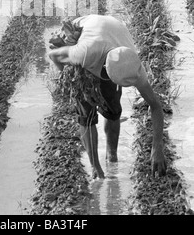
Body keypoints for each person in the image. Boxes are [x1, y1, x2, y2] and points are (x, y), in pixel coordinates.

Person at [48, 14, 167, 180]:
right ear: (104, 67)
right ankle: (95, 165)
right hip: (87, 36)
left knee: (113, 106)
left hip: (113, 32)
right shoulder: (83, 53)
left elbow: (155, 105)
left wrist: (157, 146)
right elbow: (54, 55)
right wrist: (69, 78)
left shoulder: (132, 65)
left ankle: (112, 156)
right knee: (87, 115)